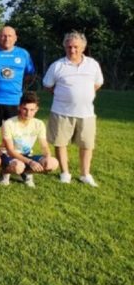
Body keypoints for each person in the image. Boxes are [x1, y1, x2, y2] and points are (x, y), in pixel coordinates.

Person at [43, 32, 104, 187]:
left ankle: (85, 174)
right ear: (64, 47)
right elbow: (48, 85)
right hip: (61, 111)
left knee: (87, 145)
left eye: (76, 47)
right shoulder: (57, 65)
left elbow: (98, 83)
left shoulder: (92, 64)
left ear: (83, 47)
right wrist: (64, 95)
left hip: (86, 113)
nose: (72, 50)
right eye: (69, 46)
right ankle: (65, 173)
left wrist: (83, 95)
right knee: (60, 143)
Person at [0, 92, 59, 188]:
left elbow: (44, 146)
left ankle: (26, 172)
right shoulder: (9, 123)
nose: (28, 113)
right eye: (25, 109)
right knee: (18, 166)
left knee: (53, 163)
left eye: (32, 110)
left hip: (27, 155)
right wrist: (30, 162)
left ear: (36, 109)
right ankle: (4, 172)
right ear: (19, 107)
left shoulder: (39, 124)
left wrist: (47, 156)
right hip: (8, 155)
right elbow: (10, 150)